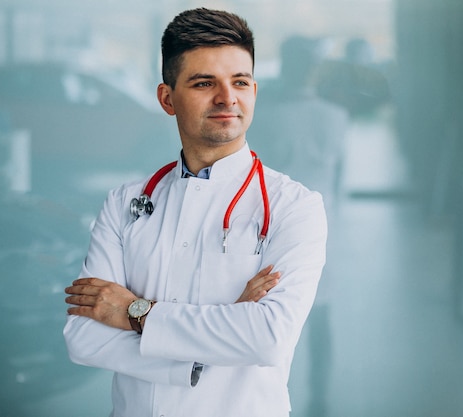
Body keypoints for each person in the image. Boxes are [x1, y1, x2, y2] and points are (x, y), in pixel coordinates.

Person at [63, 8, 327, 417]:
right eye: (204, 83)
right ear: (167, 99)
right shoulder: (125, 204)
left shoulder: (295, 208)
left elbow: (268, 339)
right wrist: (222, 334)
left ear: (254, 91)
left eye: (240, 82)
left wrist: (135, 312)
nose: (227, 98)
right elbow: (83, 337)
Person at [247, 35, 348, 417]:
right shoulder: (337, 118)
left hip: (274, 230)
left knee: (273, 316)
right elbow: (341, 182)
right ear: (313, 70)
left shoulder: (265, 116)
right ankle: (320, 396)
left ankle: (272, 394)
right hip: (323, 227)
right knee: (321, 315)